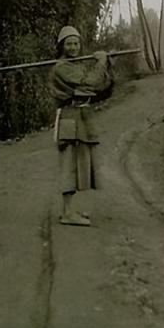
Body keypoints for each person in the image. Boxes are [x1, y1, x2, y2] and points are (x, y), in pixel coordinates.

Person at [48, 26, 114, 226]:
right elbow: (90, 82)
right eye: (69, 43)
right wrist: (101, 63)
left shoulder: (77, 65)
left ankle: (69, 210)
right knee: (69, 166)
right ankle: (67, 213)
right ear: (62, 46)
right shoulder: (61, 67)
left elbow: (100, 89)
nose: (74, 47)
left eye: (76, 43)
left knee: (79, 166)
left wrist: (106, 66)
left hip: (82, 117)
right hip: (69, 118)